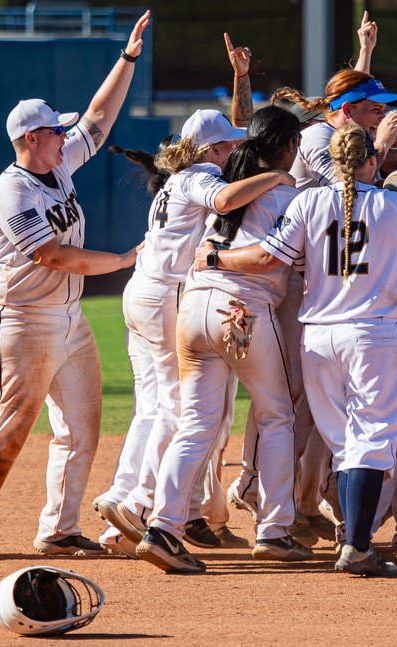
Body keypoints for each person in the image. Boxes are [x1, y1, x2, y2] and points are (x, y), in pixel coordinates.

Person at [0, 11, 152, 560]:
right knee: (8, 427)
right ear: (31, 138)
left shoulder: (57, 168)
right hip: (21, 321)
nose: (66, 136)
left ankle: (58, 528)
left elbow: (99, 121)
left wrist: (127, 59)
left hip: (69, 320)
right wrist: (125, 258)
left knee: (81, 428)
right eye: (57, 129)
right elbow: (54, 255)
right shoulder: (12, 193)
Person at [194, 125, 397, 577]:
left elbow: (268, 258)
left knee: (345, 444)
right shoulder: (393, 204)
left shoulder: (307, 201)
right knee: (371, 441)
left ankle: (353, 539)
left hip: (318, 337)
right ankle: (359, 547)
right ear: (370, 161)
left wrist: (214, 258)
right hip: (373, 334)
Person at [102, 108, 296, 548]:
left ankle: (146, 506)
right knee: (181, 411)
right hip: (176, 294)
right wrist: (279, 178)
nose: (236, 150)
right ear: (213, 150)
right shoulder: (201, 175)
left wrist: (239, 78)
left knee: (156, 407)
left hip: (147, 293)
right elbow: (227, 201)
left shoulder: (173, 181)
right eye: (229, 143)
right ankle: (136, 504)